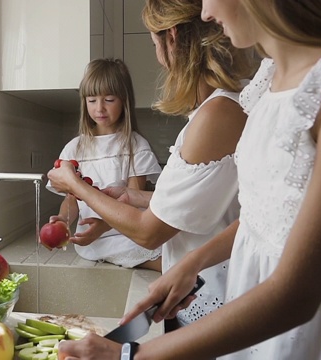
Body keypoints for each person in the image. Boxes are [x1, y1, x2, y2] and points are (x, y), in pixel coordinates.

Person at [57, 0, 321, 359]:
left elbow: (298, 295)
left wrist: (128, 356)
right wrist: (192, 264)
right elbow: (267, 215)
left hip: (314, 327)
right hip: (249, 307)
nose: (206, 12)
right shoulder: (267, 80)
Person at [48, 0, 257, 330]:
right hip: (194, 287)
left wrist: (76, 185)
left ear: (171, 37)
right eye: (92, 100)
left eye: (153, 42)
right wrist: (137, 198)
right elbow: (220, 206)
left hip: (211, 298)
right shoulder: (224, 106)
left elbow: (149, 232)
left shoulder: (217, 113)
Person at [45, 58, 163, 272]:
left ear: (124, 101)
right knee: (170, 262)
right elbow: (73, 199)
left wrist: (105, 226)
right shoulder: (75, 149)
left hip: (129, 233)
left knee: (171, 250)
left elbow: (134, 201)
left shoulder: (136, 146)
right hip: (94, 242)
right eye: (92, 100)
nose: (99, 108)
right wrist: (63, 219)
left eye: (109, 99)